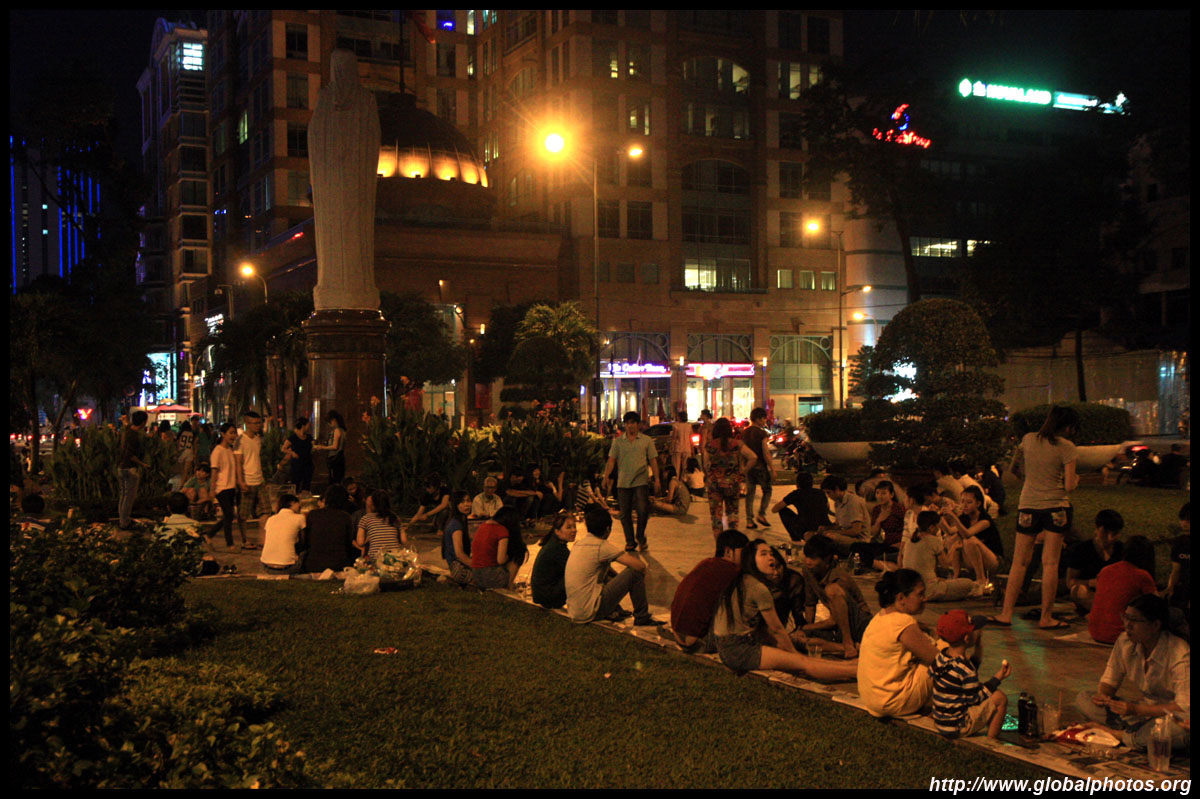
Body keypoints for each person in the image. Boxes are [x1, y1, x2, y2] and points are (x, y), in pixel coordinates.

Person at [711, 538, 858, 681]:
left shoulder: (743, 580)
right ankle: (857, 671)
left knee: (801, 656)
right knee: (802, 663)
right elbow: (777, 630)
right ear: (751, 560)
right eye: (763, 554)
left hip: (730, 646)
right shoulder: (757, 588)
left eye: (771, 553)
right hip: (739, 649)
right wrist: (794, 655)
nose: (771, 558)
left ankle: (848, 665)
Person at [991, 404, 1080, 630]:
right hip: (1056, 508)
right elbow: (1069, 486)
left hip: (1028, 506)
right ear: (1067, 426)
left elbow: (1015, 469)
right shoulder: (1067, 448)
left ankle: (1006, 613)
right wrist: (1076, 480)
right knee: (1050, 563)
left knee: (1019, 562)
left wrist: (1032, 479)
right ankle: (1046, 617)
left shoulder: (1028, 440)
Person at [1075, 594, 1190, 751]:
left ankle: (1118, 734)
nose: (1128, 625)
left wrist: (1135, 710)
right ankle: (1135, 733)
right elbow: (1110, 678)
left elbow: (1183, 707)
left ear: (1155, 625)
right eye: (1126, 618)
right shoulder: (1125, 641)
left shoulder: (1179, 652)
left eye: (1135, 620)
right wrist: (1103, 697)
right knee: (1084, 698)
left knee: (1176, 731)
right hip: (1143, 713)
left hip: (1172, 716)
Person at [857, 569, 939, 719]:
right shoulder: (903, 623)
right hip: (894, 701)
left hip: (872, 700)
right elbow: (937, 659)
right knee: (948, 651)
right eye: (920, 594)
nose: (925, 599)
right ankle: (954, 707)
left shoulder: (880, 616)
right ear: (901, 598)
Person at [564, 504, 657, 626]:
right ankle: (642, 617)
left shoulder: (579, 544)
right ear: (608, 529)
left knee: (608, 573)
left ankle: (616, 610)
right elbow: (640, 566)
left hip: (575, 610)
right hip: (590, 611)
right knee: (634, 573)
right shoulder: (601, 546)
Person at [930, 610, 1011, 739]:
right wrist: (998, 678)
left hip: (941, 721)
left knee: (978, 688)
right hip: (958, 726)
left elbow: (971, 667)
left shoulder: (941, 657)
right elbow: (975, 699)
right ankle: (992, 741)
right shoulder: (965, 668)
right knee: (1000, 698)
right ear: (967, 638)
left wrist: (978, 644)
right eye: (975, 630)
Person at [668, 529, 750, 650]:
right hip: (701, 641)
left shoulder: (706, 563)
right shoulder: (732, 570)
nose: (747, 556)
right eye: (744, 551)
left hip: (679, 634)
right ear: (728, 551)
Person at [800, 534, 873, 658]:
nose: (808, 561)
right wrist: (807, 629)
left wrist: (808, 627)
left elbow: (834, 620)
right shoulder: (808, 570)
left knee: (832, 590)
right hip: (839, 626)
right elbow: (810, 603)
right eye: (806, 556)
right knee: (798, 639)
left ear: (827, 559)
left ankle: (848, 643)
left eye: (813, 558)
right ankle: (848, 648)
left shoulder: (838, 577)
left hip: (858, 623)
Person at [601, 411, 660, 552]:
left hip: (641, 481)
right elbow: (611, 461)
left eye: (633, 423)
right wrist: (605, 477)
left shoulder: (646, 441)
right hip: (623, 482)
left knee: (643, 511)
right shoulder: (618, 442)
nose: (630, 426)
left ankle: (640, 535)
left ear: (638, 424)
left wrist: (657, 479)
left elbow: (653, 460)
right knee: (625, 513)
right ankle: (630, 541)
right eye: (627, 423)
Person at [1089, 536, 1158, 644]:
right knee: (1175, 615)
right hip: (1121, 634)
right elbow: (1156, 604)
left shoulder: (1105, 570)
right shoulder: (1142, 575)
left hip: (1095, 632)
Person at [940, 486, 1004, 594]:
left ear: (978, 504)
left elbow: (967, 534)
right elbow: (950, 531)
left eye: (969, 502)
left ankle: (981, 580)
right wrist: (937, 516)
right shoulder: (965, 518)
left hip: (993, 560)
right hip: (974, 560)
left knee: (969, 540)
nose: (964, 505)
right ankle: (956, 576)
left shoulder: (985, 520)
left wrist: (953, 517)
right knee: (954, 540)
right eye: (962, 501)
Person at [904, 511, 980, 601]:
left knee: (946, 582)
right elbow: (946, 564)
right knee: (968, 583)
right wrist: (954, 547)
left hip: (911, 591)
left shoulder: (909, 541)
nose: (938, 529)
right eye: (937, 526)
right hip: (929, 590)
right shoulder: (933, 540)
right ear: (931, 527)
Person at [703, 416, 757, 539]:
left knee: (716, 516)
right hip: (733, 483)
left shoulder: (710, 445)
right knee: (733, 514)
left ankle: (719, 542)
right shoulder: (737, 444)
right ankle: (732, 541)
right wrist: (743, 471)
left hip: (714, 485)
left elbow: (706, 464)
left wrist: (711, 474)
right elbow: (753, 457)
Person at [1065, 509, 1125, 616]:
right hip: (1092, 594)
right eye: (1105, 532)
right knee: (1078, 590)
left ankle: (1107, 612)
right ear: (1097, 529)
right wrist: (1091, 582)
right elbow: (1070, 581)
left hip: (1114, 593)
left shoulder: (1122, 549)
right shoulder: (1082, 549)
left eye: (1114, 534)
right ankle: (1107, 612)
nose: (1110, 538)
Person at [210, 422, 250, 549]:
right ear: (223, 434)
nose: (233, 436)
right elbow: (214, 471)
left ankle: (209, 535)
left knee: (229, 515)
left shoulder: (230, 450)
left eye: (235, 433)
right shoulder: (217, 451)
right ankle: (229, 543)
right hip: (221, 488)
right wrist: (212, 489)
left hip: (231, 487)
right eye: (231, 433)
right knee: (229, 514)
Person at [851, 480, 906, 572]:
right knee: (856, 546)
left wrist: (901, 544)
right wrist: (879, 520)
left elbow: (908, 530)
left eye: (884, 493)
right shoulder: (877, 509)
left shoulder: (899, 509)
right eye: (877, 493)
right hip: (886, 543)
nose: (880, 496)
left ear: (891, 495)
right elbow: (873, 533)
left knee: (872, 554)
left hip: (897, 545)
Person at [304, 483, 357, 573]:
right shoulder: (345, 517)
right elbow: (348, 542)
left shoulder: (313, 515)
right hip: (339, 563)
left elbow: (307, 540)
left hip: (314, 563)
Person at [811, 475, 870, 555]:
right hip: (846, 536)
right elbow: (838, 525)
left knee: (829, 536)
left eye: (829, 492)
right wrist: (826, 528)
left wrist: (833, 532)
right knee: (810, 535)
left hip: (859, 541)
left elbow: (856, 531)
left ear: (837, 489)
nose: (828, 496)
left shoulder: (853, 502)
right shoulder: (838, 502)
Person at [470, 506, 525, 589]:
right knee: (518, 554)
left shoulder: (483, 526)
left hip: (476, 575)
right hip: (491, 577)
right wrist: (508, 556)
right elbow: (501, 560)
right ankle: (509, 586)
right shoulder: (502, 531)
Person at [236, 410, 271, 540]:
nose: (258, 425)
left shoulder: (257, 439)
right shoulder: (240, 441)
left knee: (266, 510)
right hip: (248, 481)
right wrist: (241, 481)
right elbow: (238, 463)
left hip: (259, 479)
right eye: (255, 423)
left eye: (259, 423)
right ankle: (244, 540)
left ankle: (263, 538)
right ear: (247, 423)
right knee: (244, 514)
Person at [530, 512, 577, 608]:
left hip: (542, 594)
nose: (574, 530)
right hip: (547, 598)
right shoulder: (556, 549)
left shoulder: (555, 544)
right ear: (557, 531)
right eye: (569, 527)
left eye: (574, 527)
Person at [772, 471, 833, 542]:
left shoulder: (796, 494)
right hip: (825, 526)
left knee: (783, 511)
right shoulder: (820, 492)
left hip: (806, 529)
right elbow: (827, 508)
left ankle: (795, 538)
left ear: (797, 484)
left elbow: (774, 509)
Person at [742, 407, 775, 530]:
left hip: (749, 466)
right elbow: (765, 452)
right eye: (764, 418)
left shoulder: (744, 433)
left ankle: (749, 520)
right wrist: (772, 468)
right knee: (767, 490)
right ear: (758, 419)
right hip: (760, 466)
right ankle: (761, 514)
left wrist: (743, 467)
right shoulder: (762, 433)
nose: (765, 420)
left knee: (750, 493)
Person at [117, 409, 150, 530]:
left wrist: (125, 421)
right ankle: (124, 522)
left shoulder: (127, 431)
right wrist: (143, 464)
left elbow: (127, 425)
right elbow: (131, 455)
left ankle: (123, 520)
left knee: (123, 495)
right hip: (130, 468)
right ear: (143, 423)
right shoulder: (134, 436)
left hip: (121, 467)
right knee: (129, 497)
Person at [261, 493, 307, 574]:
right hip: (289, 567)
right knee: (306, 551)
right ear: (292, 503)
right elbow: (304, 540)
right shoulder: (300, 518)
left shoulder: (271, 519)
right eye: (298, 504)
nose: (300, 507)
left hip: (266, 565)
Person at [356, 489, 405, 559]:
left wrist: (368, 538)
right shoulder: (395, 518)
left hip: (376, 558)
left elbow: (360, 542)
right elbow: (404, 540)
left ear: (373, 504)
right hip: (395, 559)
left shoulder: (365, 519)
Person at [442, 490, 474, 586]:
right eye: (462, 502)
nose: (466, 504)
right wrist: (477, 566)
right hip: (460, 570)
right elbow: (459, 554)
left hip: (460, 566)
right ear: (456, 505)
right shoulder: (456, 525)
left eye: (468, 501)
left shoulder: (461, 520)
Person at [1165, 503, 1190, 625]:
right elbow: (1176, 570)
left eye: (1188, 521)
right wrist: (1170, 588)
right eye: (1182, 520)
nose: (1184, 524)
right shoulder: (1180, 543)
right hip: (1182, 588)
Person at [313, 410, 347, 485]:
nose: (329, 425)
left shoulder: (337, 430)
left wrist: (322, 447)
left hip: (335, 458)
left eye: (329, 422)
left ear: (333, 420)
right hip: (340, 458)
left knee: (334, 480)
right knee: (339, 479)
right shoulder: (343, 430)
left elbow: (335, 446)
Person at [281, 417, 315, 493]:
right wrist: (292, 453)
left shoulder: (309, 437)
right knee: (295, 484)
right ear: (303, 426)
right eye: (308, 425)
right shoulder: (293, 438)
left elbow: (313, 447)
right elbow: (283, 448)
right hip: (297, 464)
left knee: (307, 484)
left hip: (308, 464)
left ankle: (305, 497)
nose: (308, 427)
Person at [670, 410, 694, 483]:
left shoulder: (676, 425)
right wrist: (692, 448)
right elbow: (691, 438)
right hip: (687, 448)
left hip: (678, 448)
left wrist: (671, 447)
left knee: (676, 466)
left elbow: (674, 438)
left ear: (679, 417)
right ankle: (684, 481)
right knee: (685, 466)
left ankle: (676, 482)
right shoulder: (689, 426)